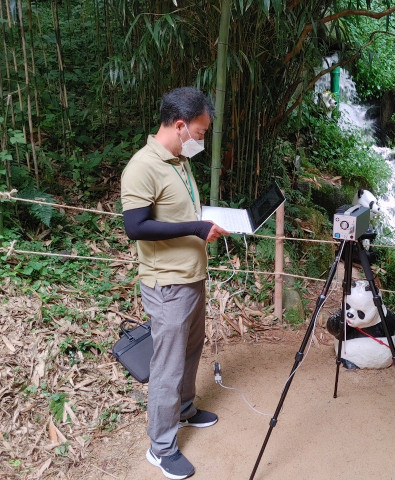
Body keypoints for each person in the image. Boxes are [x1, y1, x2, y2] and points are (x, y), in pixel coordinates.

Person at [120, 87, 228, 480]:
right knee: (166, 363)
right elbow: (136, 227)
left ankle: (184, 409)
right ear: (180, 126)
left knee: (190, 348)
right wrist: (197, 228)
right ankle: (160, 447)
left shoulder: (179, 159)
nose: (202, 140)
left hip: (191, 276)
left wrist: (208, 222)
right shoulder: (142, 166)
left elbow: (177, 209)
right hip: (167, 284)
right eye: (200, 133)